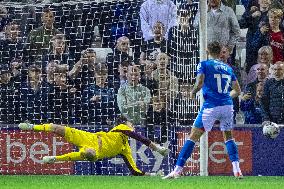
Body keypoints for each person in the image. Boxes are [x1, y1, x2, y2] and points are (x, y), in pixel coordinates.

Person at [163, 41, 243, 179]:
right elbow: (238, 90)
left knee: (192, 137)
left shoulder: (204, 64)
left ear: (207, 51)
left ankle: (177, 171)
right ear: (220, 52)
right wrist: (224, 97)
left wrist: (193, 92)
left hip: (211, 106)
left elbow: (199, 82)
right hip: (227, 106)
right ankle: (237, 170)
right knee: (229, 138)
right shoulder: (228, 68)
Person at [18, 115, 169, 176]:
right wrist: (157, 148)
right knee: (57, 128)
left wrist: (153, 174)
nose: (132, 126)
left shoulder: (125, 149)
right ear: (124, 124)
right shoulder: (121, 128)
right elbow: (138, 136)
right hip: (89, 137)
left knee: (89, 154)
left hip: (96, 150)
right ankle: (32, 127)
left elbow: (135, 171)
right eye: (131, 124)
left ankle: (55, 158)